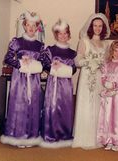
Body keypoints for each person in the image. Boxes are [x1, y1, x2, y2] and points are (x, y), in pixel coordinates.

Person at [0, 12, 45, 147]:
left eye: (34, 25)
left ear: (37, 27)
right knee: (20, 105)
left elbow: (43, 62)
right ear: (24, 26)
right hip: (19, 79)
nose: (31, 28)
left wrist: (36, 64)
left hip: (34, 79)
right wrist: (20, 62)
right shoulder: (16, 41)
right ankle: (19, 136)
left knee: (33, 105)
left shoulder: (40, 45)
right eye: (28, 25)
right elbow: (7, 59)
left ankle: (31, 136)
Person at [72, 13, 110, 149]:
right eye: (95, 25)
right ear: (91, 26)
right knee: (86, 104)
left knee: (98, 105)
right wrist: (89, 62)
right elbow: (77, 61)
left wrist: (101, 65)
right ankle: (84, 137)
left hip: (99, 78)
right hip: (87, 77)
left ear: (103, 28)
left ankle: (97, 137)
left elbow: (106, 63)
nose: (97, 28)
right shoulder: (84, 41)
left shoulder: (106, 44)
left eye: (100, 26)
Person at [40, 19, 77, 148]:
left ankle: (64, 135)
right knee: (53, 107)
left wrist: (63, 68)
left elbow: (74, 69)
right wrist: (52, 67)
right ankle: (50, 134)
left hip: (66, 85)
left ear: (68, 34)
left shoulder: (72, 53)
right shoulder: (50, 50)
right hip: (54, 83)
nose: (63, 36)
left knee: (65, 108)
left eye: (65, 33)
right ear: (56, 35)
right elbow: (44, 64)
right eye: (60, 33)